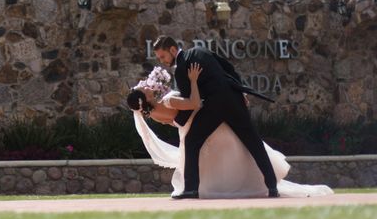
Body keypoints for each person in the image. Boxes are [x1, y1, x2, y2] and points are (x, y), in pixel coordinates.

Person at [127, 63, 333, 199]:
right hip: (208, 128)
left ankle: (225, 187)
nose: (145, 85)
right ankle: (259, 183)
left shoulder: (153, 113)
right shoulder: (168, 100)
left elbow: (176, 120)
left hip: (188, 131)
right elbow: (195, 103)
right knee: (237, 151)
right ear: (145, 98)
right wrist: (192, 81)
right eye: (142, 89)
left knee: (220, 163)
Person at [151, 35, 280, 199]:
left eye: (162, 56)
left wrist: (177, 122)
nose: (161, 60)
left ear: (173, 50)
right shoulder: (201, 50)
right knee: (253, 140)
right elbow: (228, 67)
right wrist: (241, 91)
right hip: (234, 99)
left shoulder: (181, 69)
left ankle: (191, 189)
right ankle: (272, 186)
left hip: (214, 106)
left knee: (191, 140)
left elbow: (191, 103)